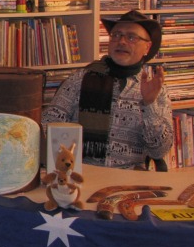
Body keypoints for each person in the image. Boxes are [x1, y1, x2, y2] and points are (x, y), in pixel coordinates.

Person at [41, 9, 174, 169]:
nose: (122, 41)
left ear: (147, 47)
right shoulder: (80, 79)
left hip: (130, 177)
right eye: (116, 35)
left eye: (131, 37)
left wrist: (149, 105)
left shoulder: (157, 90)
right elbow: (47, 126)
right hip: (82, 173)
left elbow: (159, 151)